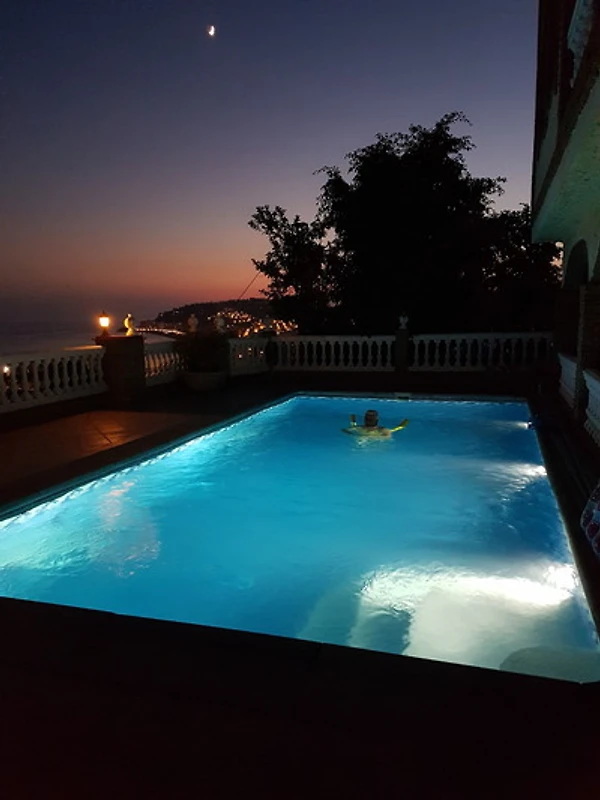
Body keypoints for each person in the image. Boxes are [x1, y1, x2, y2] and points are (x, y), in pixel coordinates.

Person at [342, 409, 408, 438]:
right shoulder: (384, 430)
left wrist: (362, 436)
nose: (369, 421)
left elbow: (345, 430)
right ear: (377, 420)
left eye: (370, 419)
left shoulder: (358, 428)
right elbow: (387, 438)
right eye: (369, 419)